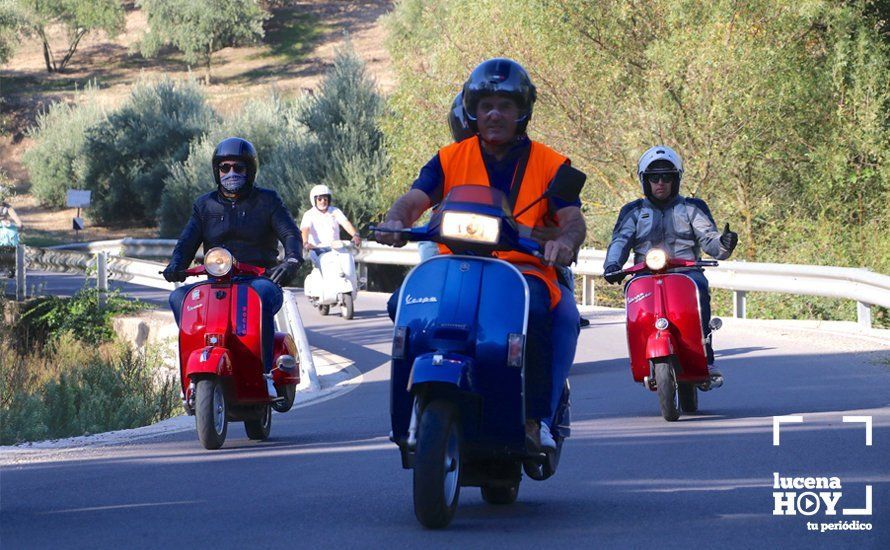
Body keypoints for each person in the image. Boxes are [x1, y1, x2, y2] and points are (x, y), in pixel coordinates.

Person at [376, 58, 587, 450]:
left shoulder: (550, 163)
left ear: (522, 111)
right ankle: (413, 408)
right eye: (485, 104)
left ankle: (533, 418)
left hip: (523, 272)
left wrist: (564, 242)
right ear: (472, 109)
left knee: (537, 314)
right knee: (402, 307)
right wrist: (395, 219)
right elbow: (415, 198)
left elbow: (572, 218)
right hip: (454, 265)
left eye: (505, 106)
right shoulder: (449, 158)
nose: (494, 114)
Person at [163, 137, 303, 397]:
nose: (231, 173)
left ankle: (267, 374)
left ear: (250, 170)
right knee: (179, 297)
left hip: (258, 279)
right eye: (225, 167)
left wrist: (292, 259)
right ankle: (192, 379)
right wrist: (176, 264)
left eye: (239, 168)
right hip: (216, 281)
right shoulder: (204, 205)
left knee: (260, 297)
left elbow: (291, 234)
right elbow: (186, 242)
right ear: (216, 171)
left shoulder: (268, 201)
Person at [602, 145, 738, 386]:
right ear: (645, 181)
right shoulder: (633, 211)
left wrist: (724, 244)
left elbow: (709, 238)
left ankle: (706, 358)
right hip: (643, 275)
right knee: (634, 302)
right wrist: (612, 264)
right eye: (654, 177)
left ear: (677, 180)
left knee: (700, 289)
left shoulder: (692, 207)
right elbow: (620, 240)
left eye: (667, 176)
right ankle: (640, 354)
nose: (661, 182)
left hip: (686, 273)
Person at [299, 184, 362, 272]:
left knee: (348, 262)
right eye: (319, 199)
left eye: (325, 199)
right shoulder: (309, 214)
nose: (323, 201)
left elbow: (345, 223)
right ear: (314, 200)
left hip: (336, 249)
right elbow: (305, 229)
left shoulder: (335, 211)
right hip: (318, 250)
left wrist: (355, 235)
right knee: (330, 270)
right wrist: (305, 243)